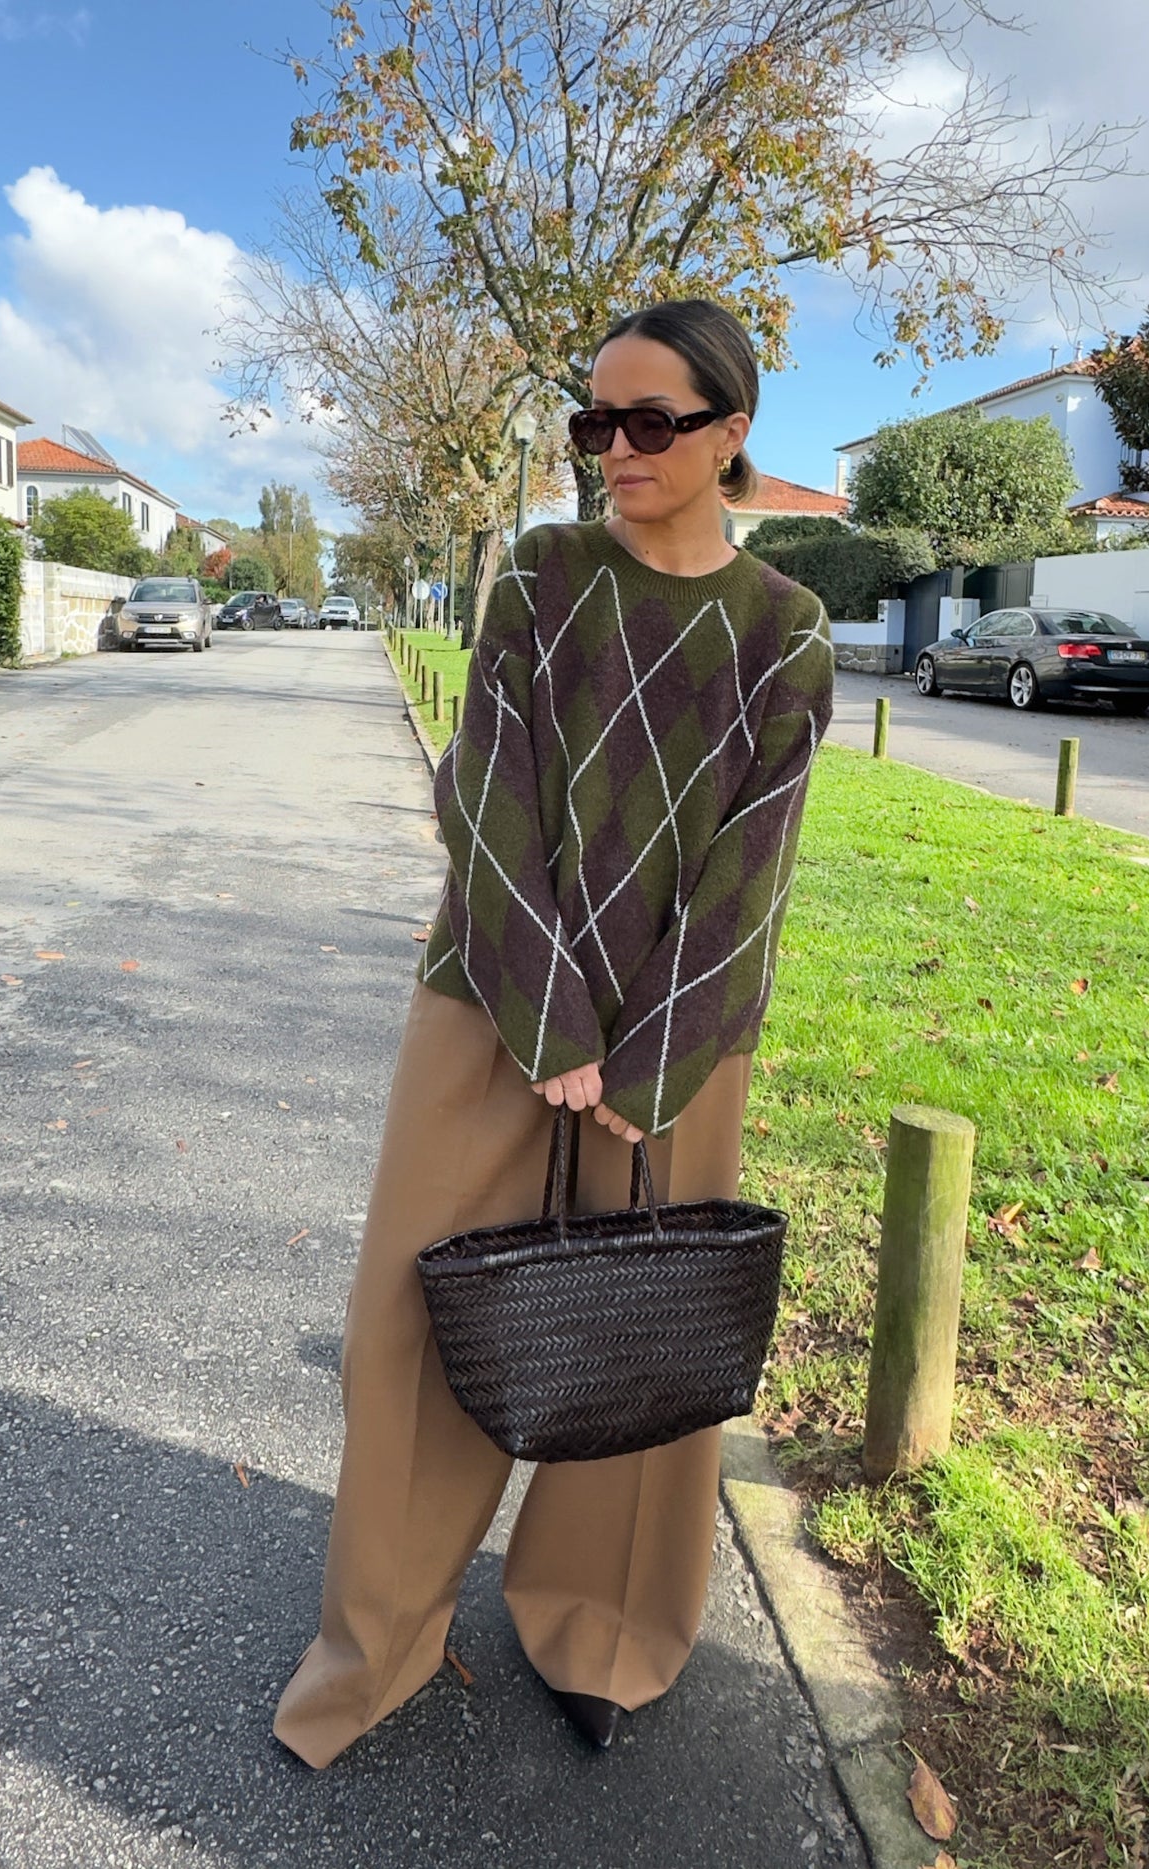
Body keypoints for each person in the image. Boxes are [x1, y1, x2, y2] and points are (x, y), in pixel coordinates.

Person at [274, 298, 834, 1766]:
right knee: (403, 1330)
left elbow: (749, 870)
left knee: (641, 1342)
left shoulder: (784, 633)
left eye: (651, 421)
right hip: (491, 1007)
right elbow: (486, 789)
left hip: (676, 1039)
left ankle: (603, 1628)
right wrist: (552, 1012)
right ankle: (373, 1648)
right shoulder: (538, 575)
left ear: (730, 435)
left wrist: (642, 1055)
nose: (615, 449)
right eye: (594, 420)